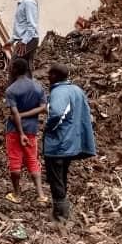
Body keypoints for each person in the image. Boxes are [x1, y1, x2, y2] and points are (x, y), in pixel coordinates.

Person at [43, 63, 96, 221]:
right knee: (62, 175)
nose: (47, 78)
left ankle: (61, 214)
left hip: (58, 142)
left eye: (49, 75)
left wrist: (49, 127)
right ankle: (62, 209)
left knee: (56, 177)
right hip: (72, 142)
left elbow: (58, 113)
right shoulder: (77, 90)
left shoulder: (59, 92)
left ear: (54, 76)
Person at [3, 58, 48, 204]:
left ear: (14, 70)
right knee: (32, 159)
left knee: (15, 161)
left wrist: (20, 130)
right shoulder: (37, 86)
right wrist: (27, 115)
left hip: (15, 130)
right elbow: (43, 107)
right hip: (32, 129)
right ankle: (41, 195)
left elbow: (15, 114)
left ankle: (17, 194)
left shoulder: (11, 90)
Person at [9, 0, 40, 71]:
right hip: (27, 39)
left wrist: (24, 42)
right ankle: (28, 83)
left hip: (29, 39)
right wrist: (12, 41)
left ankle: (15, 84)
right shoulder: (22, 3)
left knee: (14, 66)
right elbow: (21, 26)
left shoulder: (28, 3)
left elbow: (32, 24)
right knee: (24, 66)